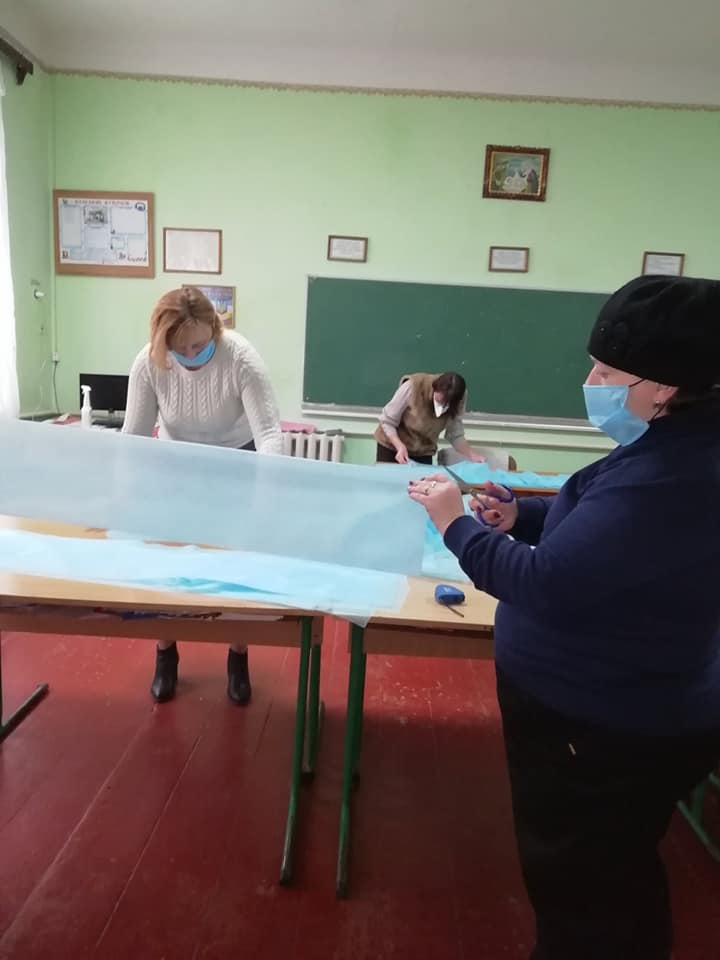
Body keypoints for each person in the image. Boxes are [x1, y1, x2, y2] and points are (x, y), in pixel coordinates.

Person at [408, 275, 720, 960]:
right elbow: (608, 534)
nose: (590, 382)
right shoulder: (680, 444)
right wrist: (522, 515)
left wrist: (455, 523)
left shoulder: (671, 474)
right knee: (613, 877)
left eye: (606, 371)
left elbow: (542, 584)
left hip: (602, 730)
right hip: (622, 709)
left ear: (664, 386)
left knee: (585, 892)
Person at [122, 286, 282, 707]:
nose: (191, 355)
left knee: (236, 567)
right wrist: (126, 491)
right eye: (181, 349)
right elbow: (133, 438)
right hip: (176, 466)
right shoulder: (148, 363)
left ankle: (238, 655)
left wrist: (267, 497)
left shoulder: (241, 358)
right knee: (169, 566)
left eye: (199, 344)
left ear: (215, 328)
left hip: (236, 462)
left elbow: (269, 434)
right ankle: (166, 652)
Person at [374, 371, 486, 465]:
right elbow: (387, 421)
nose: (443, 406)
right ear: (435, 388)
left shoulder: (459, 397)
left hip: (423, 451)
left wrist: (473, 456)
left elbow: (455, 434)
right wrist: (399, 446)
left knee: (422, 483)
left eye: (448, 404)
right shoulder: (413, 386)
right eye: (440, 401)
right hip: (392, 446)